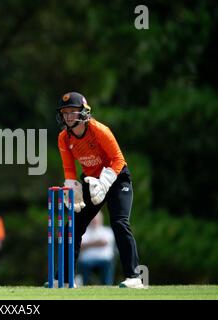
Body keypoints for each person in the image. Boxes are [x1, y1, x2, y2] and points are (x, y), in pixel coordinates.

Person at [56, 91, 144, 288]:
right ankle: (63, 278)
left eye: (72, 111)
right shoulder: (63, 138)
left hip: (116, 178)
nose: (68, 116)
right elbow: (70, 170)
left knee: (120, 223)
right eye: (65, 112)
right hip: (90, 180)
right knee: (73, 226)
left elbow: (118, 159)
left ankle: (134, 277)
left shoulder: (100, 130)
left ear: (84, 112)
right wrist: (72, 190)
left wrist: (105, 183)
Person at [77, 211, 115, 285]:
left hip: (104, 260)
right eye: (93, 219)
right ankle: (84, 284)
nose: (94, 221)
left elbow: (105, 242)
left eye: (96, 219)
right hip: (86, 260)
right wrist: (97, 243)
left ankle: (107, 284)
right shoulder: (83, 231)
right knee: (83, 265)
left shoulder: (107, 231)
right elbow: (80, 246)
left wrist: (88, 244)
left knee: (108, 264)